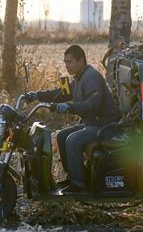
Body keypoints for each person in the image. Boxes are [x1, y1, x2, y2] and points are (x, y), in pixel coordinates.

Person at [23, 45, 121, 194]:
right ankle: (73, 176)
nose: (67, 65)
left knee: (72, 140)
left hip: (105, 125)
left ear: (81, 61)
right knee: (62, 136)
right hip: (92, 124)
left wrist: (70, 107)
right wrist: (37, 95)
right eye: (65, 62)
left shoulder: (90, 77)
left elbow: (94, 104)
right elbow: (62, 93)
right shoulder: (79, 78)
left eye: (70, 62)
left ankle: (78, 183)